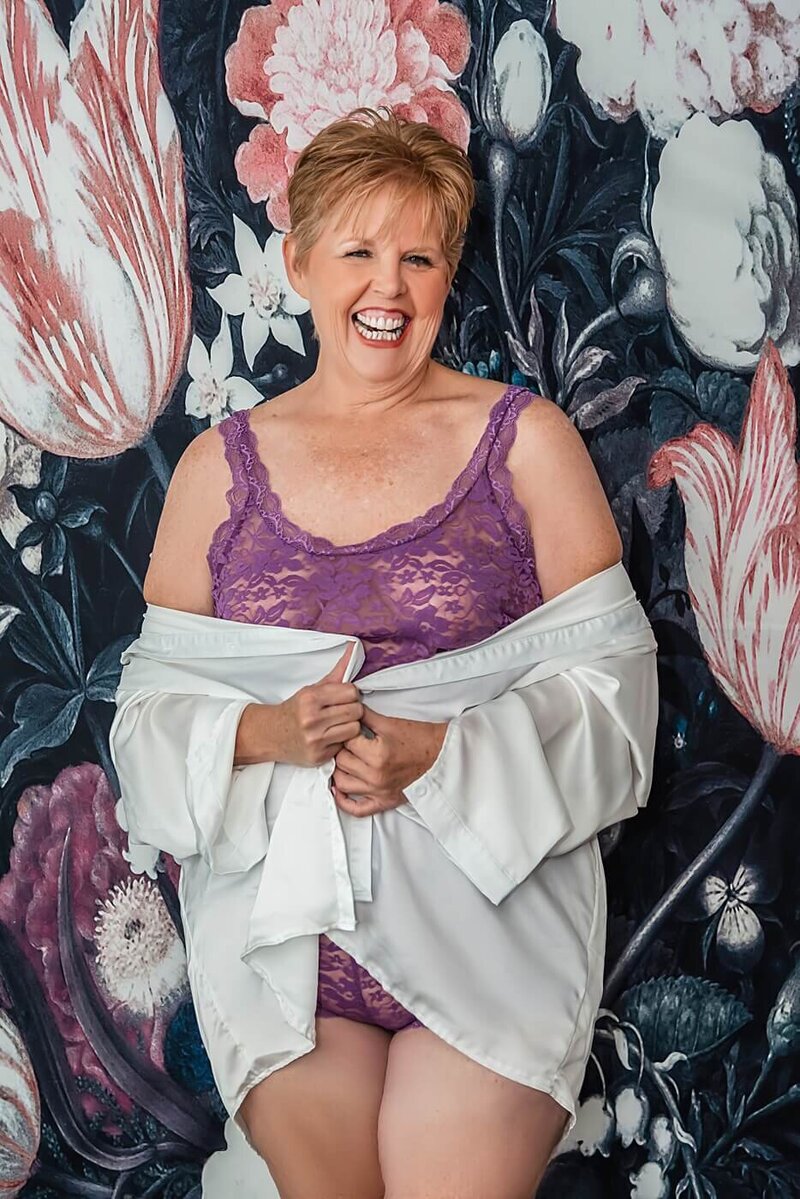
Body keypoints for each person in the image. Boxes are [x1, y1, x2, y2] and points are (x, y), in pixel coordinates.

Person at [142, 106, 625, 1198]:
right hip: (285, 951)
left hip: (486, 936)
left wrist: (439, 752)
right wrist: (261, 731)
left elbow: (613, 704)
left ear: (449, 271)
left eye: (418, 256)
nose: (388, 287)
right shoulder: (217, 474)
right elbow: (147, 723)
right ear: (300, 261)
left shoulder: (526, 444)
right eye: (358, 251)